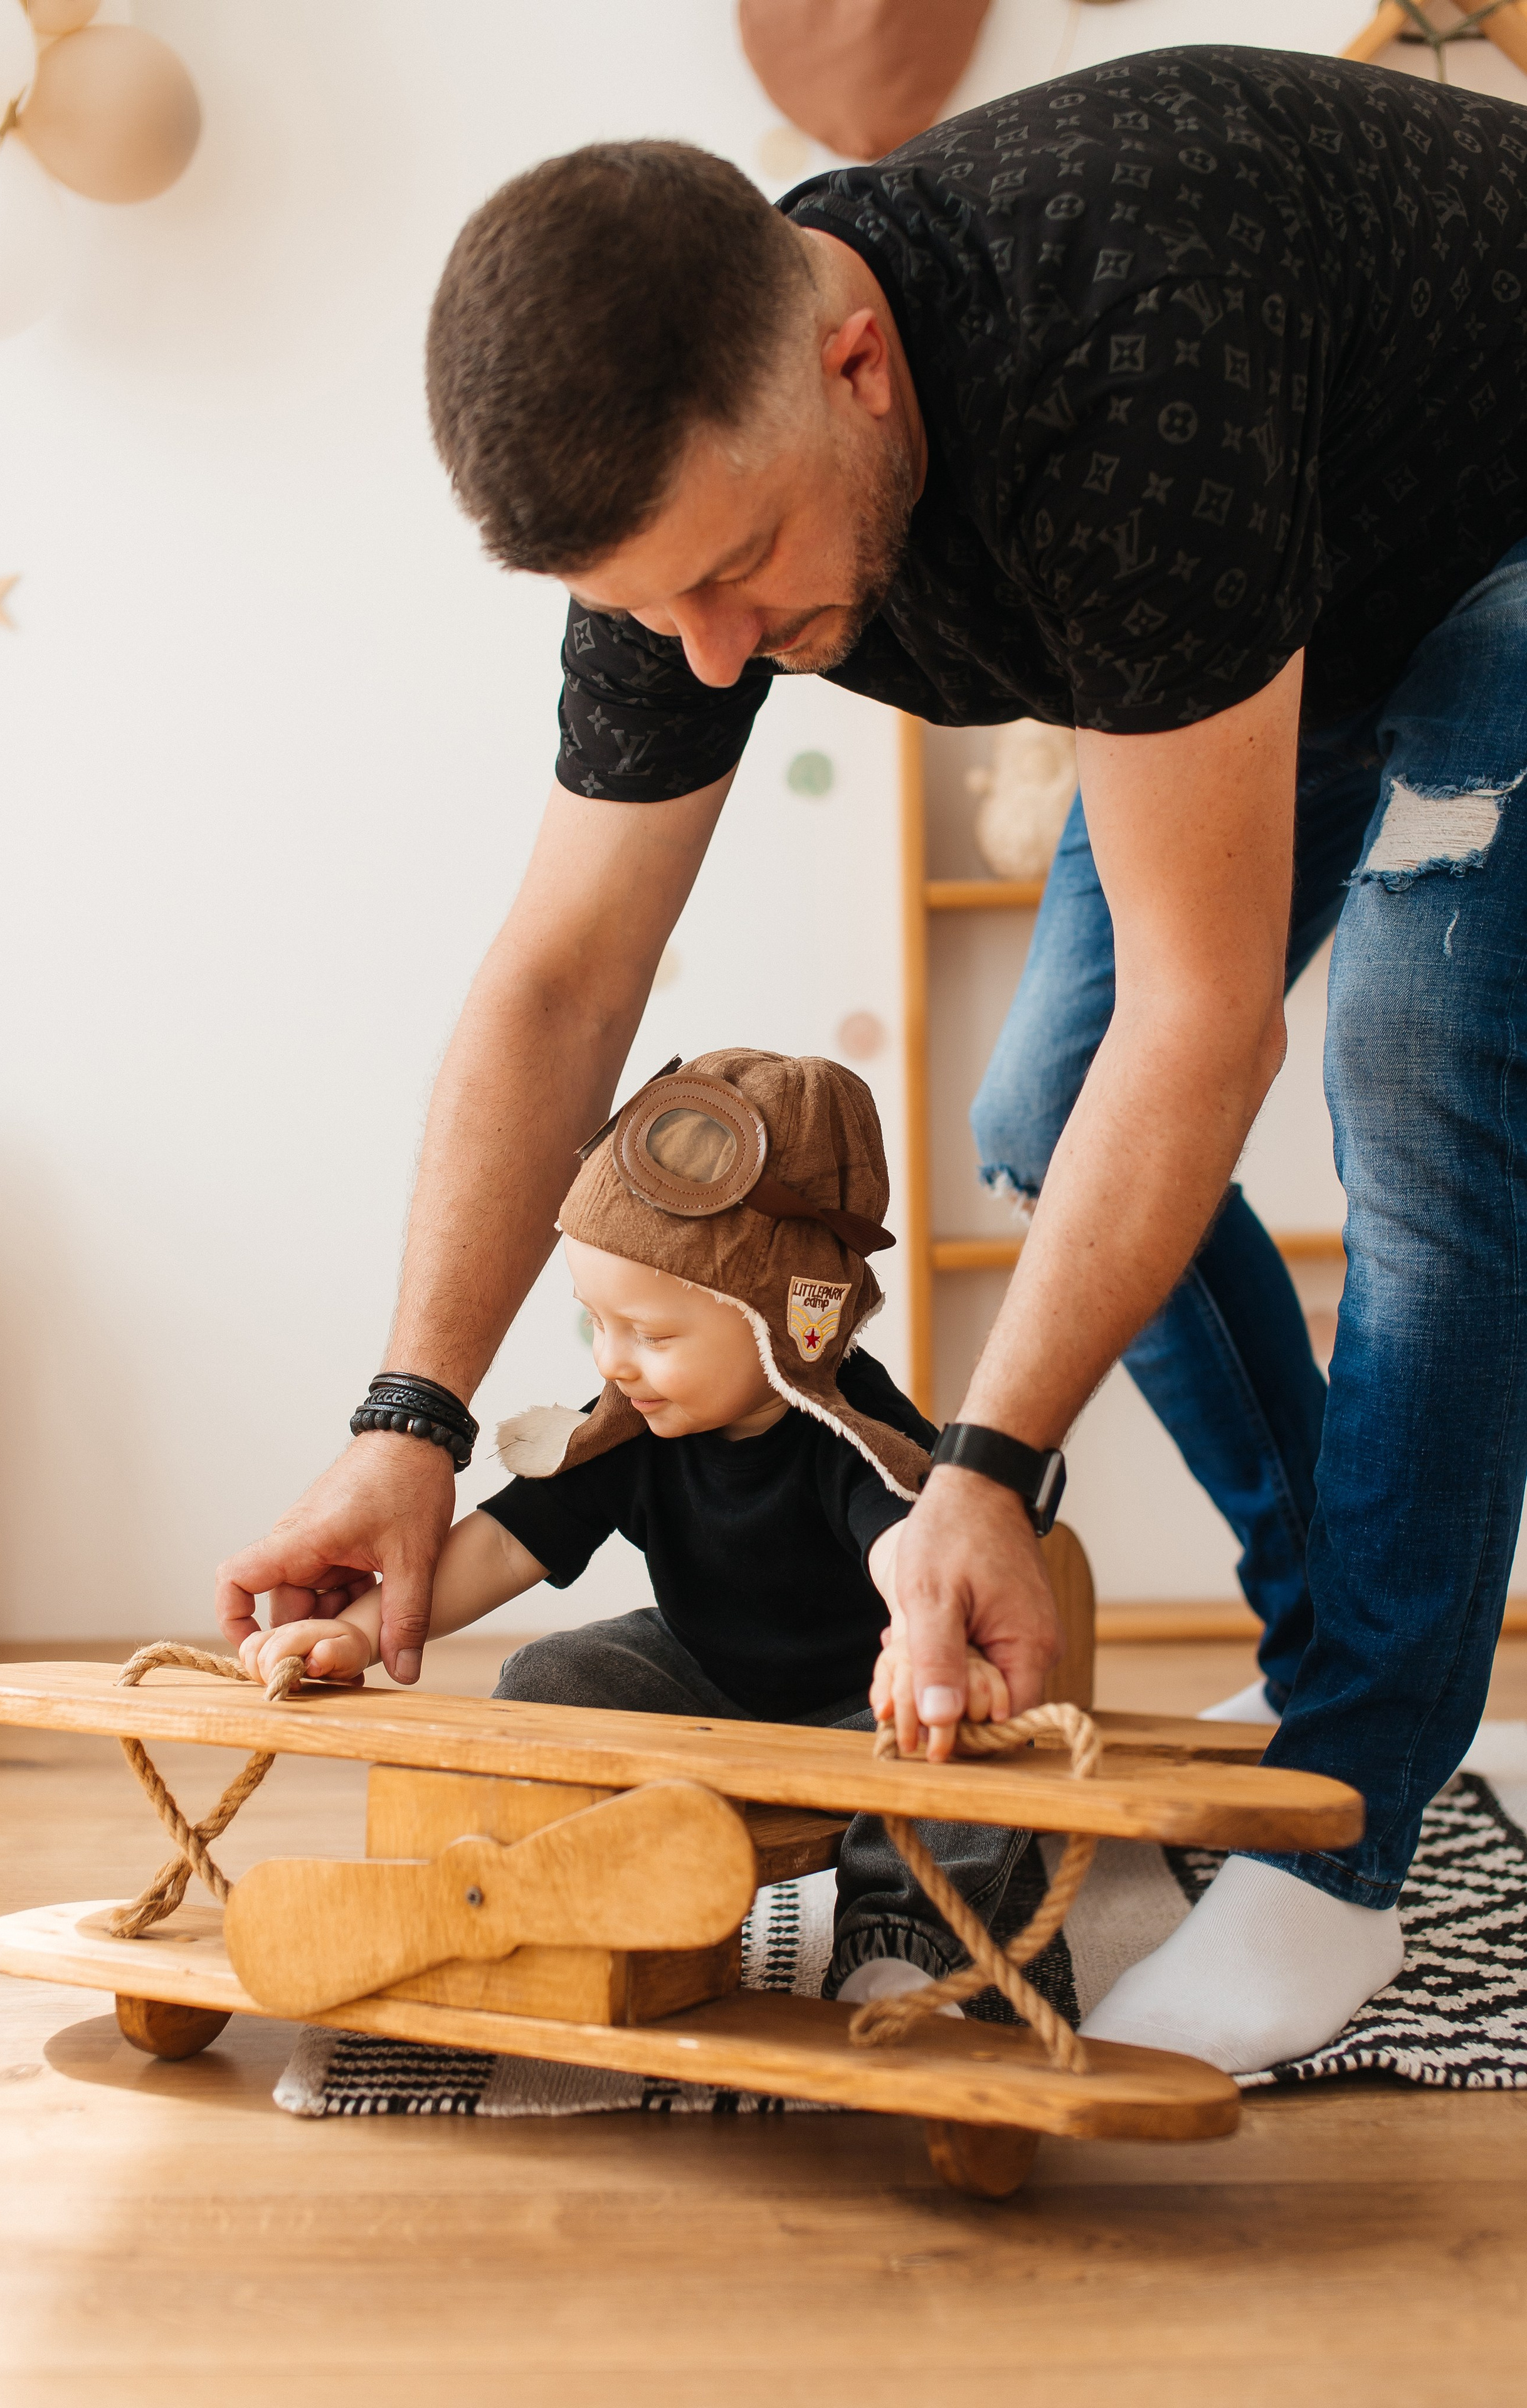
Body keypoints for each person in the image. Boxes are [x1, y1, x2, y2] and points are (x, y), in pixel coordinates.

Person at [218, 45, 1527, 2072]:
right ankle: (1344, 1650)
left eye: (737, 573)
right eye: (660, 610)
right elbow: (566, 977)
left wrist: (987, 1474)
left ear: (854, 363)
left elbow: (1208, 1023)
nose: (717, 654)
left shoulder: (1125, 371)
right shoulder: (682, 554)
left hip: (1493, 523)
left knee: (1429, 1104)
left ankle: (1349, 1838)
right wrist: (411, 1420)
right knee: (1033, 1119)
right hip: (1307, 568)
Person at [240, 1050, 1020, 2012]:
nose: (618, 1363)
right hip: (706, 1676)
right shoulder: (630, 1424)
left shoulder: (850, 1430)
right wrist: (359, 1628)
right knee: (549, 1678)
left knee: (964, 1739)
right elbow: (500, 1543)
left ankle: (900, 1939)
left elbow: (908, 1542)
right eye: (595, 1326)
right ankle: (551, 1880)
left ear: (789, 1322)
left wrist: (938, 1631)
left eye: (652, 1336)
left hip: (867, 1702)